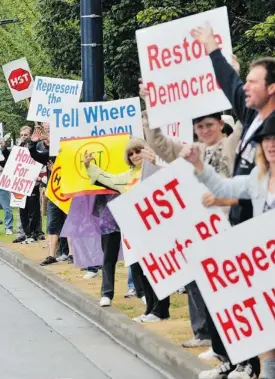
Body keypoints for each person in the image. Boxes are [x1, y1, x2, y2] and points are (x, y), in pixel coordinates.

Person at [187, 24, 275, 379]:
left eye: (254, 82)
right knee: (246, 303)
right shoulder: (254, 116)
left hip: (263, 233)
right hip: (246, 224)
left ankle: (253, 366)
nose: (246, 88)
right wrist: (211, 49)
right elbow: (230, 83)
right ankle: (246, 363)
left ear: (272, 88)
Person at [138, 107, 242, 348]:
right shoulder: (191, 152)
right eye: (200, 127)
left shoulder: (233, 144)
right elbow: (159, 143)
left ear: (220, 124)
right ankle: (206, 335)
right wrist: (149, 106)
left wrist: (230, 78)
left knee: (228, 286)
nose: (205, 130)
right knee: (197, 281)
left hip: (229, 225)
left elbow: (247, 117)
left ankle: (229, 344)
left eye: (210, 125)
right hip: (200, 228)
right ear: (194, 130)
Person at [84, 138, 169, 319]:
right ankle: (150, 309)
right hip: (137, 230)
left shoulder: (155, 169)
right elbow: (108, 178)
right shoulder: (128, 176)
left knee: (156, 268)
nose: (135, 155)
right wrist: (89, 166)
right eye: (131, 153)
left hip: (156, 227)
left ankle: (161, 309)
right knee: (141, 269)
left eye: (138, 151)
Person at [28, 123, 70, 265]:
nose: (48, 134)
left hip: (68, 192)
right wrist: (33, 144)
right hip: (53, 193)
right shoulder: (50, 154)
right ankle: (52, 255)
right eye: (47, 131)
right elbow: (36, 156)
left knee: (69, 222)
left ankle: (70, 254)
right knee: (53, 224)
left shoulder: (69, 149)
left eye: (50, 131)